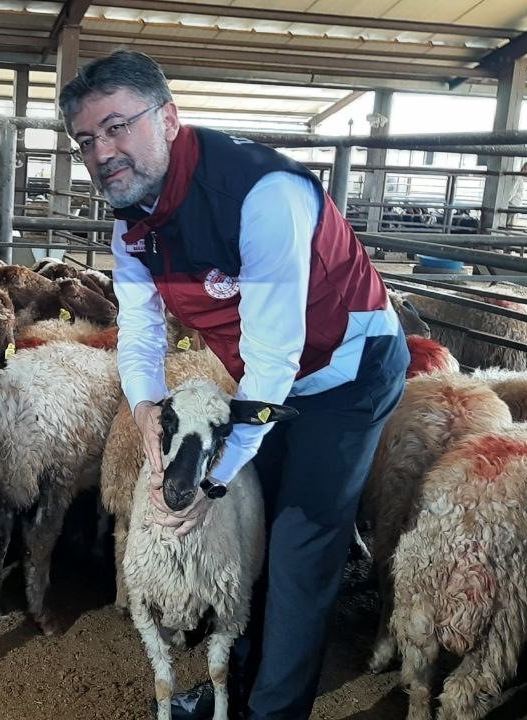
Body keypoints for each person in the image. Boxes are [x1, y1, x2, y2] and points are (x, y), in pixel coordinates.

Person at [58, 50, 409, 720]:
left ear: (167, 118)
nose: (103, 151)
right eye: (86, 139)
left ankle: (271, 713)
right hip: (261, 379)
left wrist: (213, 478)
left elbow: (278, 359)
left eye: (117, 127)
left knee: (301, 543)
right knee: (249, 532)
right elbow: (140, 336)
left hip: (343, 372)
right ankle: (233, 688)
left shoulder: (261, 195)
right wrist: (146, 424)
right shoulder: (132, 221)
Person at [503, 160, 527, 228]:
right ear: (524, 169)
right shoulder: (518, 178)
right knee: (508, 226)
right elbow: (511, 192)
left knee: (509, 225)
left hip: (513, 205)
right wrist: (505, 203)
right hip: (512, 205)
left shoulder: (519, 178)